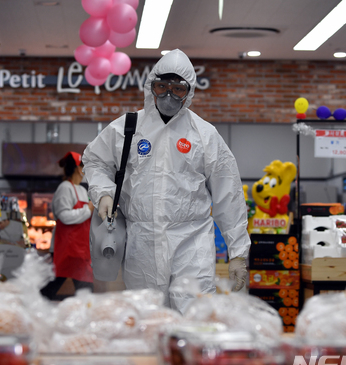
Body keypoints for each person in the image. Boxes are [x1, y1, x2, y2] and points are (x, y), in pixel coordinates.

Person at [83, 49, 250, 313]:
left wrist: (238, 251)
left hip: (192, 243)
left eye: (177, 90)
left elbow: (228, 194)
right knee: (148, 319)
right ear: (151, 87)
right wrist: (104, 192)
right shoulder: (127, 128)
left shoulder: (204, 135)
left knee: (194, 317)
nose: (169, 96)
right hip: (142, 242)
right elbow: (95, 161)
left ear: (189, 92)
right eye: (162, 87)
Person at [41, 152, 95, 300]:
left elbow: (87, 215)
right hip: (66, 248)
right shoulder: (65, 188)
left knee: (83, 287)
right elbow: (64, 216)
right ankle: (36, 307)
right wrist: (88, 209)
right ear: (79, 169)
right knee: (57, 286)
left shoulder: (82, 190)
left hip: (79, 249)